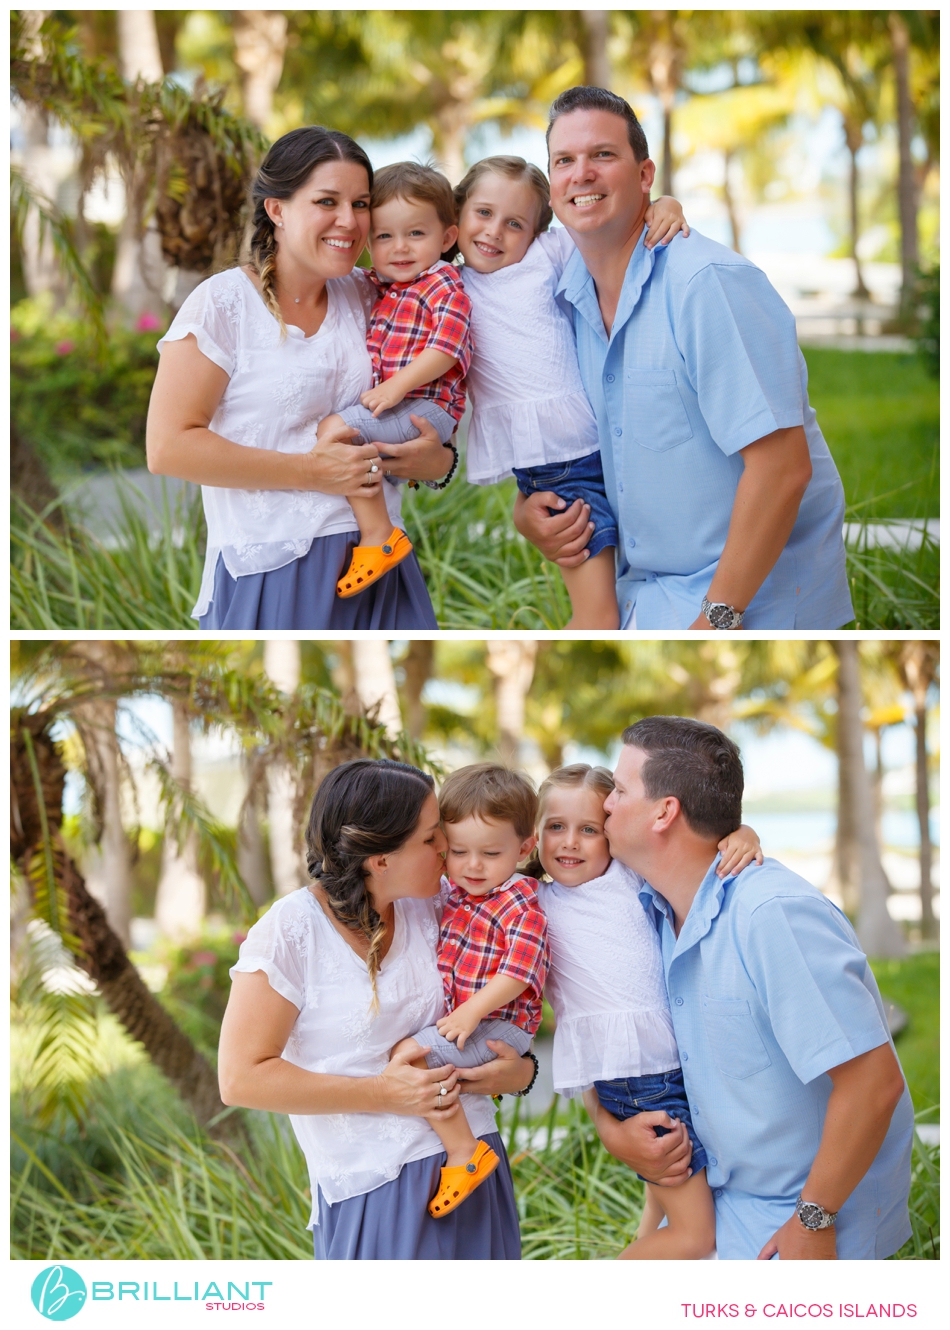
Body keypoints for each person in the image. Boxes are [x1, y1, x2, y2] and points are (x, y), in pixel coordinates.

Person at [514, 86, 855, 630]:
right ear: (551, 188)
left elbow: (783, 470)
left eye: (603, 155)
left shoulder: (706, 285)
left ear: (645, 176)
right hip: (641, 601)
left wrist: (714, 624)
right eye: (565, 161)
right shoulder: (558, 295)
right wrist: (528, 513)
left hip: (749, 608)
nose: (582, 174)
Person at [586, 717, 913, 1259]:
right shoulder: (651, 908)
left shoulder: (772, 917)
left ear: (665, 812)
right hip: (723, 1209)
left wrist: (815, 1219)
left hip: (802, 1225)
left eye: (619, 790)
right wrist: (611, 1130)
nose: (605, 806)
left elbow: (874, 1085)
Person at [217, 759, 531, 1260]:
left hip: (474, 1168)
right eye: (431, 839)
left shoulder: (444, 902)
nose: (447, 849)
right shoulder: (292, 931)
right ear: (380, 859)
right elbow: (239, 1079)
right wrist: (384, 1094)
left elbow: (545, 906)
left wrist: (520, 1072)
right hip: (373, 1185)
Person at [147, 126, 448, 630]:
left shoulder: (374, 295)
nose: (349, 221)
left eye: (361, 203)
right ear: (277, 209)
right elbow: (167, 448)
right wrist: (313, 471)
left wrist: (436, 459)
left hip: (378, 560)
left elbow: (426, 415)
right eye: (326, 201)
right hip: (270, 568)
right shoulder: (223, 304)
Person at [530, 762, 761, 1259]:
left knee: (667, 1203)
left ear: (612, 832)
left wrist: (743, 831)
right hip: (639, 1078)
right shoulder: (535, 901)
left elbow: (694, 845)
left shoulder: (628, 876)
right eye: (555, 827)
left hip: (672, 1059)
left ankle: (642, 1243)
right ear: (535, 835)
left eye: (588, 829)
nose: (570, 842)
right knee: (696, 1235)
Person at [455, 155, 687, 629]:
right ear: (455, 214)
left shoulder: (548, 255)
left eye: (514, 223)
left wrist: (664, 203)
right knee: (598, 614)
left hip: (615, 442)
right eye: (482, 213)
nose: (494, 232)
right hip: (557, 471)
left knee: (650, 580)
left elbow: (613, 232)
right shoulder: (450, 287)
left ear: (536, 231)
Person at [392, 763, 548, 1219]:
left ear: (524, 847)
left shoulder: (520, 904)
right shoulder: (457, 893)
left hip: (499, 1023)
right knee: (416, 1058)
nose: (473, 866)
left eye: (490, 853)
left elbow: (518, 972)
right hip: (476, 1018)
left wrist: (471, 1013)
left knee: (411, 1056)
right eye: (459, 852)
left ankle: (465, 1153)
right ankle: (461, 1147)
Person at [318, 162, 472, 599]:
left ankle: (378, 534)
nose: (399, 248)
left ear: (446, 238)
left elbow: (447, 345)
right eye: (384, 236)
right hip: (405, 405)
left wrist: (396, 386)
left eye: (415, 234)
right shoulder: (384, 285)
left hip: (424, 408)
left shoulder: (442, 282)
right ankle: (377, 531)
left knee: (336, 431)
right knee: (349, 439)